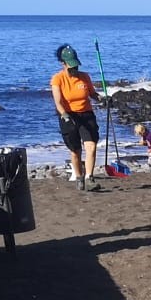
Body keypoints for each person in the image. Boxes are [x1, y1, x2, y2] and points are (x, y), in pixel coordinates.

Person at [50, 44, 103, 191]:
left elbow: (92, 94)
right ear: (63, 63)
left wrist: (103, 99)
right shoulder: (57, 79)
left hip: (86, 114)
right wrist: (65, 115)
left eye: (76, 66)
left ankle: (90, 178)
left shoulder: (85, 77)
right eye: (71, 66)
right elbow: (58, 102)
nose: (74, 70)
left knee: (91, 146)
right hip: (68, 115)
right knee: (75, 151)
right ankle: (79, 177)